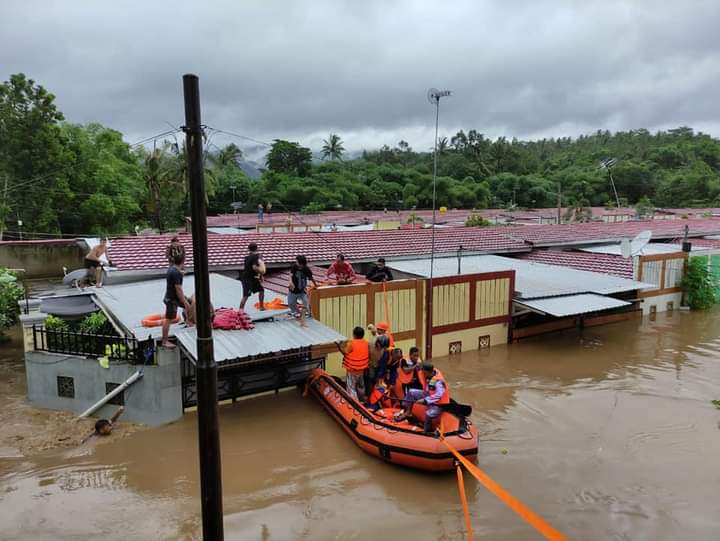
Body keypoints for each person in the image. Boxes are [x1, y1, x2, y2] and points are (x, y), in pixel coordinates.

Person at [394, 362, 450, 433]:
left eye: (423, 372)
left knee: (428, 414)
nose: (422, 373)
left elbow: (439, 395)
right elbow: (418, 369)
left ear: (427, 372)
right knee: (411, 392)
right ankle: (408, 412)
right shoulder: (428, 371)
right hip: (428, 393)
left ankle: (426, 430)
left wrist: (425, 400)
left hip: (439, 403)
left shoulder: (438, 381)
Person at [161, 254, 191, 348]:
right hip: (172, 299)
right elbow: (178, 289)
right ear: (183, 261)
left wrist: (186, 302)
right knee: (168, 319)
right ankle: (165, 341)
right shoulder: (176, 273)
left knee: (191, 303)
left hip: (172, 297)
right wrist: (184, 302)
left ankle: (189, 321)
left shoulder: (172, 269)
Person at [335, 326, 369, 402]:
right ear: (362, 335)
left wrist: (339, 346)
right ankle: (362, 401)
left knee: (351, 388)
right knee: (360, 387)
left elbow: (345, 352)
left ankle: (354, 404)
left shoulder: (351, 343)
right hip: (362, 370)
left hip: (352, 371)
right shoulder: (366, 343)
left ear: (354, 335)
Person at [240, 242, 265, 310]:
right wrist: (261, 272)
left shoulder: (247, 257)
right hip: (248, 278)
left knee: (261, 290)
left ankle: (261, 307)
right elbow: (254, 267)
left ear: (248, 249)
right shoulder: (255, 256)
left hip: (251, 277)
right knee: (246, 295)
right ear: (257, 248)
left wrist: (260, 275)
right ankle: (240, 311)